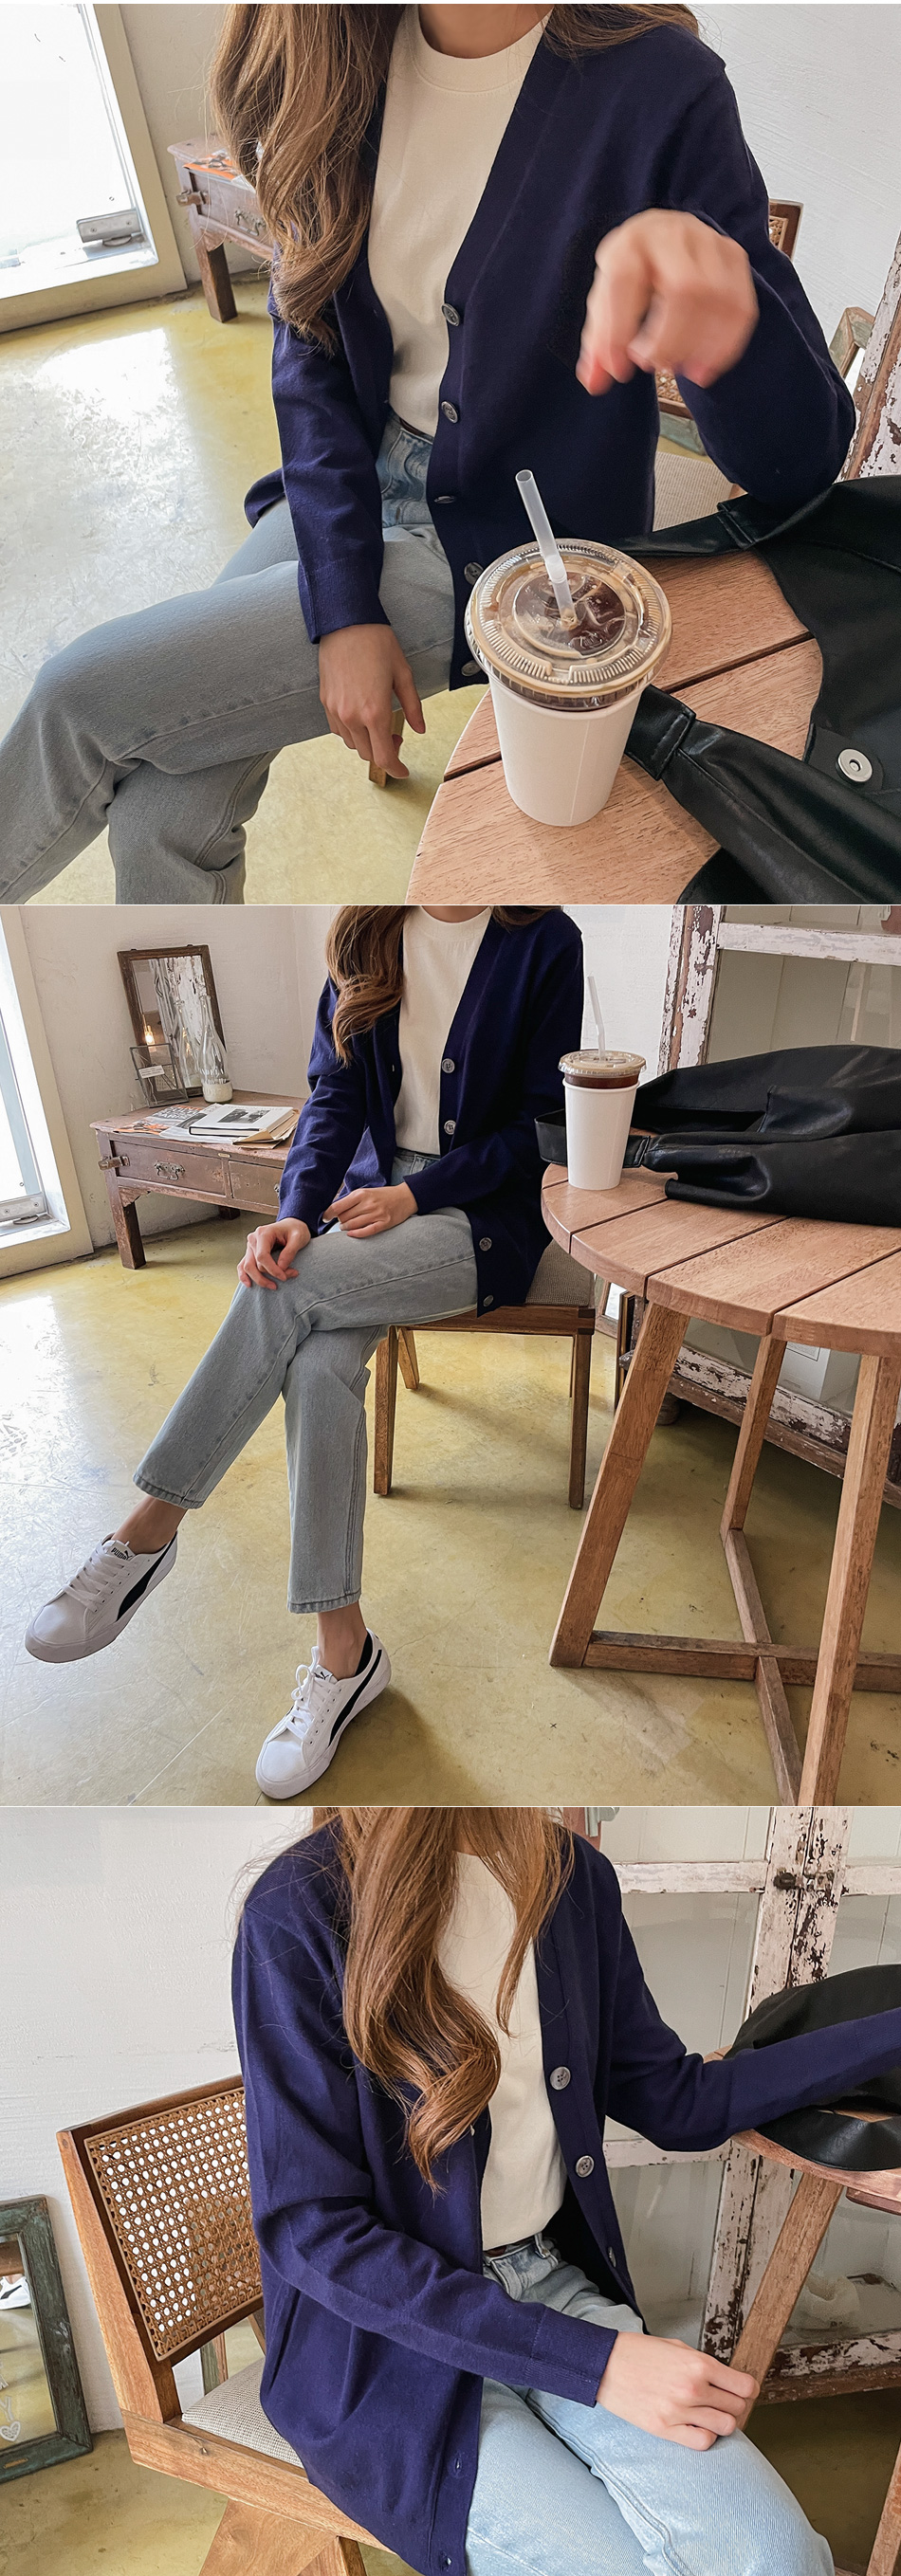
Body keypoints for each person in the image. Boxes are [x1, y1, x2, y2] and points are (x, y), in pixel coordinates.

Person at [0, 3, 855, 908]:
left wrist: (733, 319)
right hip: (348, 485)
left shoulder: (661, 87)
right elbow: (310, 352)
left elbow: (800, 465)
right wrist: (341, 608)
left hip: (510, 550)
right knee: (163, 815)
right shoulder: (335, 59)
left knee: (75, 700)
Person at [231, 1804, 891, 2576]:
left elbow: (678, 2101)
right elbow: (315, 2232)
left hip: (548, 2283)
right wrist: (598, 2362)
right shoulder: (300, 1910)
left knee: (776, 2563)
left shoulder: (572, 1878)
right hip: (382, 2359)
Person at [26, 904, 584, 1798]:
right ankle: (344, 1655)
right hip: (366, 1201)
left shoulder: (544, 937)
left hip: (479, 1215)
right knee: (318, 1365)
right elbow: (334, 1098)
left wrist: (418, 1194)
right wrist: (293, 1211)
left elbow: (538, 1127)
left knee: (291, 1291)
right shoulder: (366, 930)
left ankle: (146, 1532)